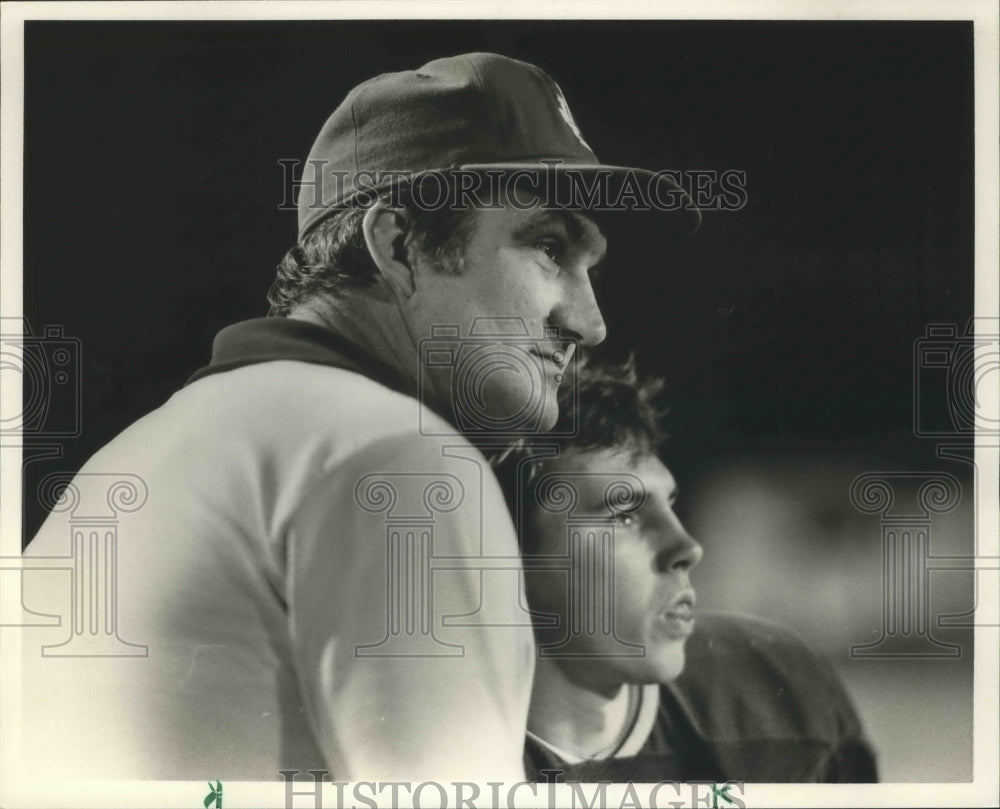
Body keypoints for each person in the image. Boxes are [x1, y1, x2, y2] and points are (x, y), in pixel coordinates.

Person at [20, 53, 698, 782]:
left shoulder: (135, 455)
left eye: (589, 266)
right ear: (400, 243)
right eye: (549, 248)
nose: (589, 322)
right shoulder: (397, 458)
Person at [492, 358, 880, 782]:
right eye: (622, 514)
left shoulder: (775, 691)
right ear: (503, 554)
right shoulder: (447, 760)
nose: (686, 547)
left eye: (669, 504)